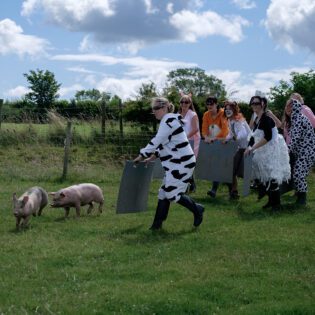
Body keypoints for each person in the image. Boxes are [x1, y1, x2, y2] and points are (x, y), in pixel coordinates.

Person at [133, 97, 204, 230]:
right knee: (163, 193)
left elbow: (157, 140)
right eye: (152, 109)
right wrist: (152, 157)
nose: (153, 112)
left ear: (164, 107)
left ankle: (197, 210)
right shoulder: (169, 121)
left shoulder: (168, 120)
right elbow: (164, 144)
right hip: (176, 163)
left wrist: (142, 155)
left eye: (156, 108)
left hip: (183, 163)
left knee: (172, 194)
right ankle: (157, 225)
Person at [244, 95, 290, 211]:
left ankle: (276, 205)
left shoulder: (267, 119)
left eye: (257, 103)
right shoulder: (257, 119)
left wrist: (252, 148)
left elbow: (268, 137)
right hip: (262, 150)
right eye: (252, 103)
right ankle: (271, 201)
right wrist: (248, 147)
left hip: (272, 150)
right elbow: (254, 136)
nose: (254, 105)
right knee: (266, 176)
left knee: (272, 176)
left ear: (263, 104)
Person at [283, 98, 315, 205]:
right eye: (287, 106)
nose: (287, 108)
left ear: (295, 107)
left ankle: (302, 200)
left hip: (306, 152)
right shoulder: (295, 118)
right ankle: (299, 195)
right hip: (304, 152)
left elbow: (295, 138)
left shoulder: (298, 119)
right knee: (297, 173)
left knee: (299, 173)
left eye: (290, 105)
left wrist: (286, 151)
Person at [201, 96, 229, 197]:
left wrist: (215, 138)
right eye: (207, 104)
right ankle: (214, 189)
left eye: (211, 104)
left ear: (216, 104)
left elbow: (225, 130)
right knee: (216, 165)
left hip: (224, 141)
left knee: (227, 167)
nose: (209, 106)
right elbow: (204, 129)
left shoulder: (223, 113)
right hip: (212, 142)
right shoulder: (206, 115)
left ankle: (231, 191)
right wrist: (205, 137)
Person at [223, 101, 251, 199]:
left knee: (232, 171)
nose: (227, 111)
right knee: (231, 171)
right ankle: (234, 192)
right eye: (226, 109)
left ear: (234, 110)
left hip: (245, 148)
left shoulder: (238, 120)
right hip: (241, 148)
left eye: (229, 109)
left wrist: (235, 139)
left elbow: (242, 134)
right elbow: (231, 133)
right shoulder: (230, 120)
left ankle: (234, 192)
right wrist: (226, 139)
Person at [178, 93, 201, 193]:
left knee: (187, 162)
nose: (184, 104)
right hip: (180, 141)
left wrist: (185, 137)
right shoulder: (178, 114)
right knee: (182, 163)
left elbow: (196, 129)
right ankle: (190, 185)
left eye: (186, 102)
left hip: (191, 141)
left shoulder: (192, 114)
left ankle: (188, 185)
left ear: (190, 103)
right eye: (182, 102)